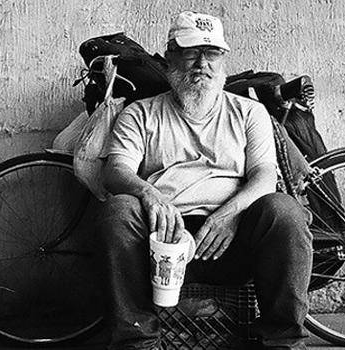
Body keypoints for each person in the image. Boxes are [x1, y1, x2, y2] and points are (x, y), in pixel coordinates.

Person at [94, 11, 312, 350]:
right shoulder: (141, 113)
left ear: (222, 60)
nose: (201, 64)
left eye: (211, 54)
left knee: (285, 212)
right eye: (190, 52)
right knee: (118, 209)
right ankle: (137, 342)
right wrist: (148, 194)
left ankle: (283, 341)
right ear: (170, 57)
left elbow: (265, 175)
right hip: (161, 241)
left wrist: (229, 215)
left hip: (234, 237)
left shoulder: (248, 113)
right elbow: (115, 170)